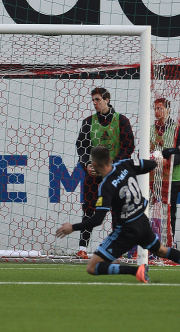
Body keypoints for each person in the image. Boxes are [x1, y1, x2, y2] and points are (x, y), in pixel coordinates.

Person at [56, 146, 180, 283]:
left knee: (92, 267)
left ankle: (135, 271)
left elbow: (98, 219)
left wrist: (72, 227)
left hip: (126, 230)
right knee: (161, 251)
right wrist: (155, 161)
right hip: (142, 222)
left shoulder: (106, 186)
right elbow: (151, 165)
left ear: (95, 164)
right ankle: (139, 270)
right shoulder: (124, 164)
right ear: (110, 159)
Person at [75, 87, 135, 258]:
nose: (94, 103)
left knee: (118, 211)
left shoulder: (121, 121)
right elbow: (81, 146)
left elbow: (128, 146)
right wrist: (87, 164)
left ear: (107, 100)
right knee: (88, 209)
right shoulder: (88, 122)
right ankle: (83, 248)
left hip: (115, 175)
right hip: (94, 173)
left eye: (98, 99)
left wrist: (113, 166)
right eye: (93, 100)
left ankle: (118, 250)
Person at [150, 98, 179, 247]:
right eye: (155, 108)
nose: (157, 112)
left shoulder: (176, 128)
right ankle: (148, 243)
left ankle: (169, 243)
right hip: (153, 177)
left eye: (160, 108)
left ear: (168, 110)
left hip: (172, 177)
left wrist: (169, 161)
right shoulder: (150, 129)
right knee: (147, 209)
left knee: (169, 211)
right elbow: (147, 150)